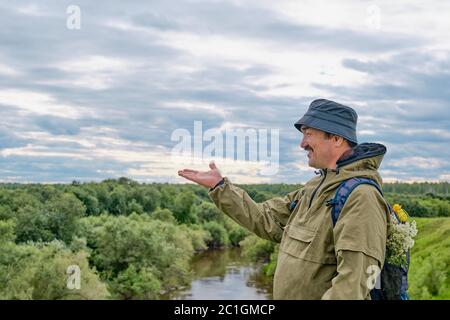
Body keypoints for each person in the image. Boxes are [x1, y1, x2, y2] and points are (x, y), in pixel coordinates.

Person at [178, 99, 389, 300]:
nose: (302, 144)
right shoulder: (314, 187)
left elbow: (354, 284)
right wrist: (220, 188)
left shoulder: (362, 197)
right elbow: (266, 219)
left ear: (336, 138)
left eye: (308, 134)